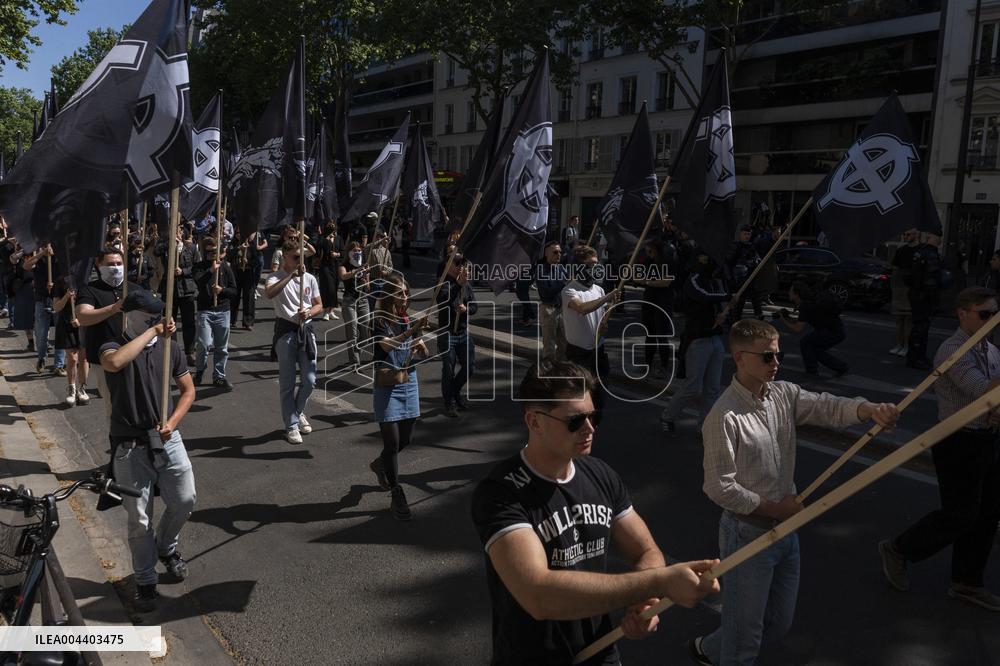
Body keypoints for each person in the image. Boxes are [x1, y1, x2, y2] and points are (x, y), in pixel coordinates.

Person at [471, 360, 721, 665]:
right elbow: (538, 594)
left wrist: (645, 604)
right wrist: (658, 582)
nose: (589, 428)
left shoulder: (600, 474)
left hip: (601, 651)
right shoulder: (501, 492)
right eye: (575, 421)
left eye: (594, 416)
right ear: (535, 422)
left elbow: (645, 549)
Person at [690, 319, 898, 666]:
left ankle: (708, 650)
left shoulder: (783, 394)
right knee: (744, 643)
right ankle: (723, 654)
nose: (776, 364)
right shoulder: (723, 416)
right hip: (748, 535)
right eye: (767, 358)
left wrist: (869, 410)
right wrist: (774, 509)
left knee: (776, 623)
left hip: (786, 529)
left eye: (778, 355)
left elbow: (825, 406)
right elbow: (719, 487)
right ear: (739, 357)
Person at [878, 287, 1000, 612]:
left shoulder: (990, 351)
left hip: (987, 439)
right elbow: (982, 391)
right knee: (960, 514)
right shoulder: (952, 351)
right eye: (985, 314)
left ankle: (967, 582)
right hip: (957, 441)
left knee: (987, 515)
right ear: (963, 313)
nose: (992, 321)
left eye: (995, 314)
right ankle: (899, 549)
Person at [99, 290, 196, 613]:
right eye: (150, 315)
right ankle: (144, 580)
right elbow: (113, 363)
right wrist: (151, 333)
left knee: (185, 500)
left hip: (169, 439)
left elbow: (187, 390)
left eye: (159, 315)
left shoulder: (171, 348)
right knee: (139, 520)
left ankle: (166, 547)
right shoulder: (112, 343)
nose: (157, 320)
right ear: (131, 315)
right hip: (130, 446)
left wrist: (173, 420)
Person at [369, 275, 427, 520]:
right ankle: (396, 492)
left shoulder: (406, 320)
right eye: (400, 293)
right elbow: (386, 347)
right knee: (392, 443)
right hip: (387, 384)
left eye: (406, 293)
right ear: (390, 294)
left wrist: (420, 347)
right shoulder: (380, 319)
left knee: (406, 439)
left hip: (408, 380)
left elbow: (422, 352)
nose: (405, 297)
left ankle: (380, 464)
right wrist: (411, 332)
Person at [661, 253, 729, 434]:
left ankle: (704, 425)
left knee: (713, 388)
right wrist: (728, 296)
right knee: (693, 387)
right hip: (697, 340)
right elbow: (705, 297)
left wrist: (724, 315)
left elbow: (721, 304)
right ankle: (667, 416)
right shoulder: (693, 280)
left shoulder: (717, 280)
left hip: (715, 339)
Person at [265, 241, 323, 445]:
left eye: (302, 257)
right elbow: (269, 293)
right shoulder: (274, 277)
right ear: (284, 257)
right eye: (296, 257)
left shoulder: (310, 278)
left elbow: (319, 305)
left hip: (306, 331)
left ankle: (297, 414)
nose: (300, 261)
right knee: (287, 382)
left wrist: (309, 312)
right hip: (285, 332)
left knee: (309, 380)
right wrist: (291, 276)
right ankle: (291, 425)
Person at [76, 249, 137, 419]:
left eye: (119, 264)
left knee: (136, 401)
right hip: (105, 358)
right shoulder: (90, 290)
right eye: (110, 264)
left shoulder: (134, 289)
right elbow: (83, 316)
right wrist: (114, 308)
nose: (115, 268)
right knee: (114, 405)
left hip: (134, 354)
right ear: (99, 265)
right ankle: (118, 442)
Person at [561, 245, 620, 407]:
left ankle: (595, 419)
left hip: (598, 349)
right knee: (579, 393)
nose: (594, 268)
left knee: (600, 392)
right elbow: (582, 309)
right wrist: (609, 296)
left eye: (596, 264)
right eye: (590, 265)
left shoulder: (599, 290)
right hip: (579, 352)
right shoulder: (569, 291)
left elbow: (601, 317)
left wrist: (607, 317)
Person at [777, 280, 848, 377]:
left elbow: (798, 328)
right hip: (835, 330)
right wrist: (788, 318)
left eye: (791, 291)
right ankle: (838, 367)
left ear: (797, 294)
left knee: (807, 344)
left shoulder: (805, 306)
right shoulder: (808, 302)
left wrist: (783, 320)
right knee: (812, 347)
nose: (788, 293)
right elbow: (802, 321)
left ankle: (813, 370)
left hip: (833, 332)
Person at [192, 237, 237, 390]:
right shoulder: (199, 267)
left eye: (215, 251)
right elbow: (198, 281)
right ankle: (199, 371)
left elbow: (234, 290)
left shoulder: (225, 267)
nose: (212, 254)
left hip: (222, 311)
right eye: (209, 251)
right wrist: (211, 270)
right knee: (203, 344)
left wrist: (222, 290)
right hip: (205, 310)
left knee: (221, 347)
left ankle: (219, 376)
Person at [435, 253, 477, 418]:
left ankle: (454, 391)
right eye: (457, 263)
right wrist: (457, 285)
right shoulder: (443, 282)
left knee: (470, 366)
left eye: (463, 263)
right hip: (447, 333)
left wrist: (467, 310)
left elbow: (474, 306)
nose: (461, 266)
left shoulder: (466, 284)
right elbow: (443, 300)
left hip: (463, 332)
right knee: (448, 369)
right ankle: (450, 402)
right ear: (448, 265)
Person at [156, 225, 198, 365]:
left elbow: (197, 266)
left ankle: (190, 351)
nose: (177, 233)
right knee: (169, 321)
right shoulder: (165, 246)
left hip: (187, 290)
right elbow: (156, 251)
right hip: (169, 289)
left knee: (189, 322)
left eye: (179, 231)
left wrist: (184, 271)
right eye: (174, 230)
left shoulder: (190, 248)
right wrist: (169, 243)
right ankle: (172, 351)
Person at [634, 240, 675, 380]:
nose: (646, 249)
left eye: (649, 246)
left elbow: (666, 281)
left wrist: (648, 282)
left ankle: (664, 367)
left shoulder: (667, 260)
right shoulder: (647, 260)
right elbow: (636, 277)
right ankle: (648, 364)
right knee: (649, 333)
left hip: (663, 302)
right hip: (649, 300)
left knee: (661, 335)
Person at [22, 244, 66, 375]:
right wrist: (42, 254)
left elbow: (71, 276)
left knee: (61, 333)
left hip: (59, 300)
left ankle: (59, 364)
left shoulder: (63, 259)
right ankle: (41, 358)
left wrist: (57, 285)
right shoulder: (38, 259)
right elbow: (26, 266)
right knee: (41, 334)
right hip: (42, 301)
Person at [905, 232, 943, 370]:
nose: (940, 239)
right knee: (921, 327)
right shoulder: (930, 255)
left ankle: (915, 356)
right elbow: (931, 279)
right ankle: (917, 357)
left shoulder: (920, 252)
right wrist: (934, 299)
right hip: (924, 296)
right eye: (938, 236)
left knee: (918, 326)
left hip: (916, 294)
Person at [52, 276, 90, 406]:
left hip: (83, 322)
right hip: (67, 323)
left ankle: (82, 388)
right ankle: (71, 389)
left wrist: (81, 319)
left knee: (84, 358)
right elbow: (56, 307)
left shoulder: (86, 281)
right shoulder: (61, 281)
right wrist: (66, 297)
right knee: (72, 358)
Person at [338, 241, 371, 370]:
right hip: (349, 301)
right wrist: (357, 270)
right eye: (355, 251)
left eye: (359, 250)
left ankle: (357, 350)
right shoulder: (344, 265)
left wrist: (365, 282)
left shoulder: (364, 267)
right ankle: (355, 362)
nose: (357, 252)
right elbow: (343, 276)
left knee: (365, 331)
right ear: (349, 252)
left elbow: (368, 288)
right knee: (352, 331)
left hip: (363, 300)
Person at [889, 228, 919, 357]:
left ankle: (906, 346)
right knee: (899, 320)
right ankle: (899, 344)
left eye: (908, 234)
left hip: (911, 288)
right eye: (904, 234)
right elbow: (895, 268)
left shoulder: (919, 251)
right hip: (900, 288)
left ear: (915, 235)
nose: (905, 236)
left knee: (908, 320)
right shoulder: (901, 250)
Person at [535, 241, 567, 361]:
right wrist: (564, 282)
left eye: (560, 252)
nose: (558, 254)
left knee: (564, 344)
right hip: (549, 309)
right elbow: (546, 293)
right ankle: (548, 372)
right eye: (555, 252)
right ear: (546, 253)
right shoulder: (541, 270)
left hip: (562, 309)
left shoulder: (562, 268)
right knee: (549, 346)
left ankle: (559, 370)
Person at [727, 225, 764, 320]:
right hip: (738, 281)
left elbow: (757, 258)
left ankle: (758, 315)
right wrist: (731, 278)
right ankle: (734, 320)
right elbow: (728, 263)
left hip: (750, 279)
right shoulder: (735, 246)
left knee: (755, 297)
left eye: (749, 234)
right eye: (745, 234)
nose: (747, 236)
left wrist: (756, 261)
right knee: (738, 303)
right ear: (740, 234)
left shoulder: (751, 246)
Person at [314, 220, 342, 320]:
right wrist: (327, 239)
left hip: (335, 265)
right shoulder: (323, 238)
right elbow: (318, 250)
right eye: (330, 226)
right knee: (328, 287)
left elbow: (343, 252)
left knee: (334, 288)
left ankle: (331, 311)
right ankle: (325, 310)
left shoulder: (338, 239)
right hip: (325, 265)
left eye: (333, 226)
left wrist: (337, 254)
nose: (332, 227)